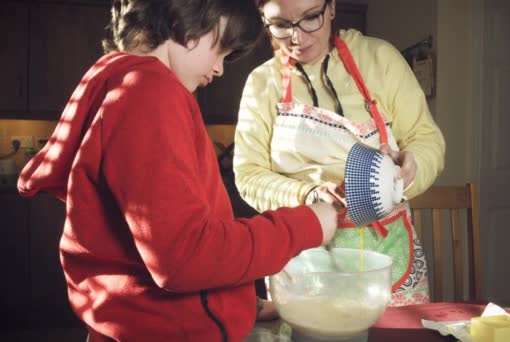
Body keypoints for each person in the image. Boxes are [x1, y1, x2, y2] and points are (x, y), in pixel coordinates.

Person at [17, 0, 338, 341]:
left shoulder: (119, 82)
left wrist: (237, 300)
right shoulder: (150, 93)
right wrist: (309, 224)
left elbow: (146, 244)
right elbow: (184, 258)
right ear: (190, 13)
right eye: (221, 48)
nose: (219, 70)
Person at [234, 0, 446, 309]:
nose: (297, 37)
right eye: (280, 25)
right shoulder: (262, 83)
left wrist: (412, 168)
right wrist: (306, 194)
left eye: (310, 18)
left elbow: (427, 140)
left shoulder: (380, 59)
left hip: (387, 252)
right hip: (302, 255)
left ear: (331, 7)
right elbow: (248, 174)